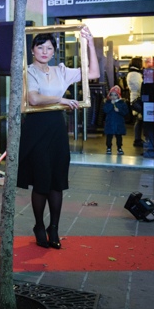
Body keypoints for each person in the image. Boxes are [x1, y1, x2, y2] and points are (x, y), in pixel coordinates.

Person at [18, 26, 99, 249]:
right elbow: (34, 99)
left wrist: (90, 44)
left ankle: (54, 228)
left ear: (54, 52)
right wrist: (61, 100)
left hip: (56, 127)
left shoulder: (61, 71)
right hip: (36, 128)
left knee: (57, 181)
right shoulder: (28, 71)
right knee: (41, 181)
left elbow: (93, 73)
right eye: (40, 47)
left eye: (49, 48)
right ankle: (38, 226)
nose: (45, 52)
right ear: (32, 50)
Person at [103, 85, 129, 155]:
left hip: (118, 123)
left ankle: (119, 147)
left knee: (119, 136)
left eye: (115, 95)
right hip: (110, 122)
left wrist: (119, 110)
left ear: (118, 95)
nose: (113, 97)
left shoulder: (122, 103)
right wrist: (111, 105)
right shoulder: (108, 103)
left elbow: (126, 112)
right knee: (109, 136)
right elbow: (105, 110)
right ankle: (108, 147)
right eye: (112, 95)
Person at [126, 56, 144, 147]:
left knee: (139, 120)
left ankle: (138, 139)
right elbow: (140, 87)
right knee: (141, 119)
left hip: (134, 99)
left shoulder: (132, 73)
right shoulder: (135, 74)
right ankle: (138, 140)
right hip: (137, 100)